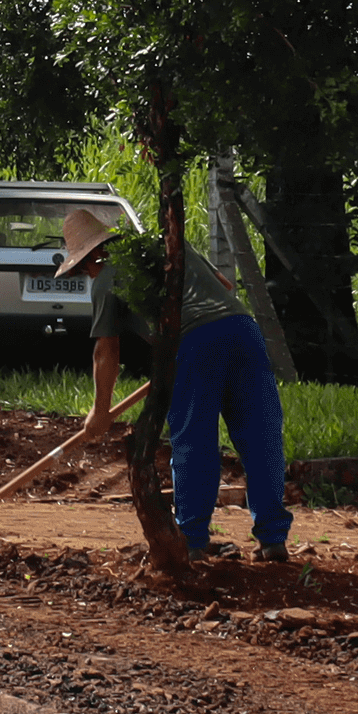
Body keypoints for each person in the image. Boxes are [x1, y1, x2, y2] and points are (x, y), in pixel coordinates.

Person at [53, 204, 288, 562]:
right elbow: (224, 285)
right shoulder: (168, 246)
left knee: (194, 441)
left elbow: (106, 351)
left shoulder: (106, 277)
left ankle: (191, 541)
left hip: (193, 343)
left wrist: (100, 412)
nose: (85, 273)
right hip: (242, 329)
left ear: (95, 254)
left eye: (83, 265)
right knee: (261, 437)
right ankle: (273, 540)